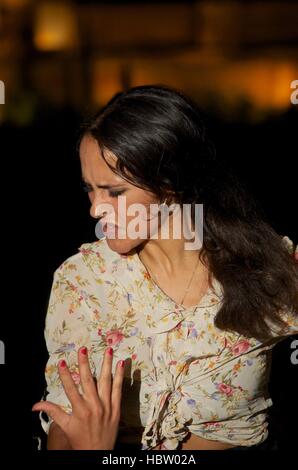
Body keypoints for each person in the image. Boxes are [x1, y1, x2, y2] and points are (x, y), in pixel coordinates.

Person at [32, 85, 298, 450]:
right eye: (89, 189)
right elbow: (65, 423)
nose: (95, 209)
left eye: (114, 192)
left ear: (170, 184)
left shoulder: (261, 266)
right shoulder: (85, 282)